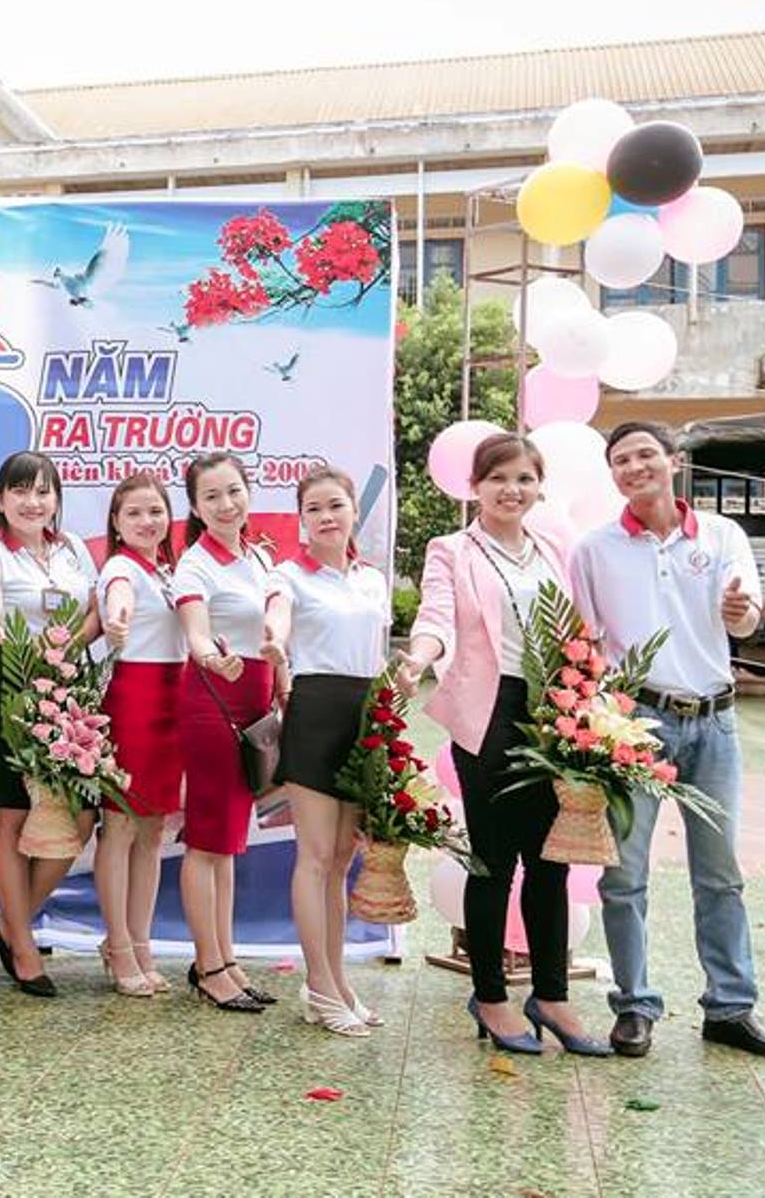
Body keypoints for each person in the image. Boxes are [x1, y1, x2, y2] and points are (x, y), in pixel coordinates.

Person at [568, 420, 765, 1062]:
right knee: (623, 875)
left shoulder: (723, 535)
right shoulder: (594, 550)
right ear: (612, 475)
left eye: (646, 454)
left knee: (719, 873)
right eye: (621, 460)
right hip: (634, 725)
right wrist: (590, 725)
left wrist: (740, 614)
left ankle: (730, 1007)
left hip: (715, 721)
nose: (634, 467)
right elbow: (584, 641)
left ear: (674, 461)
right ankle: (634, 1006)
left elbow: (745, 619)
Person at [397, 433, 605, 1055]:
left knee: (551, 863)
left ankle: (551, 997)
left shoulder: (555, 547)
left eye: (524, 478)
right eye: (498, 478)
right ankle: (490, 995)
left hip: (554, 714)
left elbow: (582, 625)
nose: (511, 490)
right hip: (489, 715)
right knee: (492, 861)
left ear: (539, 485)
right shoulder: (451, 551)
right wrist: (420, 657)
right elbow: (436, 616)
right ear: (475, 486)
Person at [261, 466, 393, 1038]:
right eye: (313, 509)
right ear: (301, 519)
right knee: (314, 857)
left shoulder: (372, 580)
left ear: (354, 511)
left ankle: (337, 982)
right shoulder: (288, 575)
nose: (326, 516)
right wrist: (273, 638)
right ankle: (317, 983)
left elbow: (376, 651)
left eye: (335, 505)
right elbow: (278, 616)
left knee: (342, 858)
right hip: (315, 712)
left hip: (363, 717)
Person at [0, 451, 98, 998]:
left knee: (79, 819)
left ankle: (7, 923)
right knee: (13, 819)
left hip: (67, 685)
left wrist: (68, 644)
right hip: (11, 681)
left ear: (56, 499)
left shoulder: (72, 550)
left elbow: (94, 609)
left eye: (43, 491)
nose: (32, 502)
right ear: (0, 499)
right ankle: (22, 946)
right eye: (20, 491)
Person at [171, 450, 272, 1012]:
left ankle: (227, 959)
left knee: (228, 845)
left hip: (254, 713)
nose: (226, 504)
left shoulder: (257, 558)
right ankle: (208, 966)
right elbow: (195, 632)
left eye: (234, 491)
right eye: (211, 496)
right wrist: (211, 656)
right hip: (213, 706)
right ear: (195, 507)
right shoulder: (194, 565)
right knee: (207, 842)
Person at [95, 471, 185, 999]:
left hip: (174, 702)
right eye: (134, 513)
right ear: (116, 522)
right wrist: (117, 620)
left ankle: (141, 943)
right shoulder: (121, 568)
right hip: (134, 702)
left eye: (155, 511)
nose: (147, 521)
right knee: (121, 827)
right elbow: (119, 602)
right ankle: (119, 945)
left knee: (153, 832)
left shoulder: (169, 572)